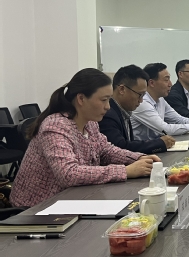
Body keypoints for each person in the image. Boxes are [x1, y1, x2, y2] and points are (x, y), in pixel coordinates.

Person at [10, 68, 159, 208]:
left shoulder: (90, 123)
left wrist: (139, 158)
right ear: (81, 98)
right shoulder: (55, 126)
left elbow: (106, 150)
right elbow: (69, 174)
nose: (108, 107)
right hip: (36, 208)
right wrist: (125, 171)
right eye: (104, 100)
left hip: (72, 200)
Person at [99, 64, 175, 154]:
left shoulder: (124, 111)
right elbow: (120, 148)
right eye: (140, 95)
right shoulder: (108, 114)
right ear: (122, 89)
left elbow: (128, 143)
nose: (141, 100)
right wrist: (159, 143)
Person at [131, 63, 189, 140]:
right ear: (151, 83)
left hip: (155, 143)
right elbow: (165, 129)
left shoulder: (160, 99)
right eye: (166, 80)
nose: (170, 84)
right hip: (140, 146)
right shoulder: (142, 102)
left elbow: (177, 119)